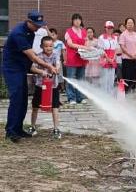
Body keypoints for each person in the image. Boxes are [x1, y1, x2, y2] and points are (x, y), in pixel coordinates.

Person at [2, 11, 57, 143]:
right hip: (12, 69)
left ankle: (18, 129)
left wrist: (38, 70)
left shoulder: (31, 32)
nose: (39, 27)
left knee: (23, 100)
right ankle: (11, 132)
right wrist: (48, 66)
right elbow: (32, 56)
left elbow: (29, 57)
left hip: (22, 68)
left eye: (40, 24)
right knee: (16, 99)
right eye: (36, 24)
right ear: (29, 22)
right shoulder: (18, 33)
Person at [28, 36, 62, 139]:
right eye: (46, 46)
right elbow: (32, 68)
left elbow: (58, 64)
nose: (49, 48)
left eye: (51, 46)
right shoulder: (38, 56)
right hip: (40, 86)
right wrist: (42, 72)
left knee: (55, 107)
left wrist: (56, 69)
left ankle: (56, 129)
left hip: (53, 86)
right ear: (42, 46)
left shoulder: (56, 55)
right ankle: (32, 127)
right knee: (35, 107)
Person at [65, 13, 88, 104]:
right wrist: (83, 47)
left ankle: (80, 97)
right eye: (75, 19)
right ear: (72, 21)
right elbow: (70, 44)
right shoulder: (68, 31)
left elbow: (86, 43)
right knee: (71, 78)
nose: (77, 21)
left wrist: (86, 48)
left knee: (81, 79)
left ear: (81, 21)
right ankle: (71, 98)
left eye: (79, 19)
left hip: (81, 58)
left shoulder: (84, 31)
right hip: (72, 58)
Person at [119, 18, 136, 93]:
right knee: (127, 77)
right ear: (126, 25)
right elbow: (122, 47)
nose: (130, 25)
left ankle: (132, 92)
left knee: (134, 77)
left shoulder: (135, 34)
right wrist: (130, 55)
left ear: (134, 24)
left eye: (131, 23)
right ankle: (126, 93)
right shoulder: (123, 35)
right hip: (127, 59)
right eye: (128, 23)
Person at [98, 21, 120, 94]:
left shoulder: (115, 38)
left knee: (111, 79)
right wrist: (107, 59)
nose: (110, 29)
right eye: (108, 28)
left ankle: (110, 95)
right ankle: (104, 95)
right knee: (105, 79)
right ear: (105, 28)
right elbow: (101, 50)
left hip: (112, 60)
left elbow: (116, 49)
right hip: (105, 60)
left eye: (111, 28)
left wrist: (113, 59)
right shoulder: (101, 37)